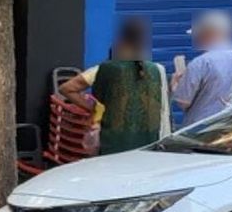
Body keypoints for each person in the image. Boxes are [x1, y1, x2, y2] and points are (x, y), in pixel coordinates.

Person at [60, 18, 170, 155]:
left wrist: (92, 108)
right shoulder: (157, 70)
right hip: (148, 146)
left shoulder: (107, 68)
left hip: (113, 146)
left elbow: (96, 99)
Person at [173, 10, 232, 126]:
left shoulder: (201, 63)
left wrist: (176, 85)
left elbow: (183, 102)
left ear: (208, 34)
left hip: (202, 132)